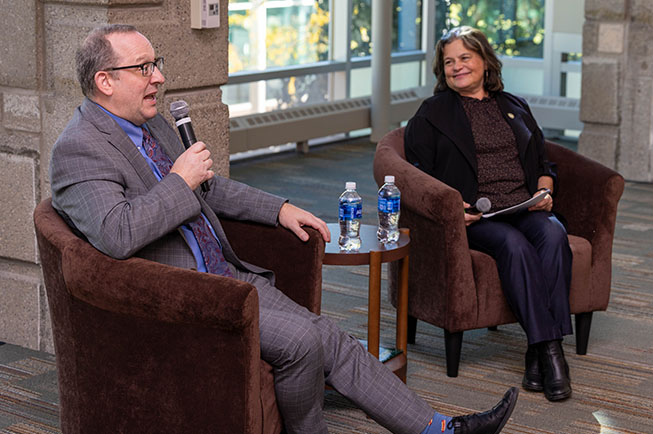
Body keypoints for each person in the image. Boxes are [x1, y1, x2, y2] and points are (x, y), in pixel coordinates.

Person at [49, 24, 519, 434]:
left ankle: (438, 429)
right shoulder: (81, 149)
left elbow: (209, 190)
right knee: (302, 343)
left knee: (331, 336)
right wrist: (179, 180)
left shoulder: (148, 125)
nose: (160, 77)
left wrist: (280, 209)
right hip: (182, 292)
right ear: (105, 81)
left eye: (158, 63)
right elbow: (117, 234)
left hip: (224, 272)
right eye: (145, 67)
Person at [404, 26, 573, 402]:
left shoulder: (513, 105)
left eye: (465, 58)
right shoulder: (433, 113)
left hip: (521, 204)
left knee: (554, 233)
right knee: (514, 246)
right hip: (479, 217)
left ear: (485, 61)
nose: (457, 67)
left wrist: (545, 189)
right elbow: (416, 174)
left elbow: (544, 160)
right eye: (449, 62)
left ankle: (536, 350)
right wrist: (450, 210)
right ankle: (550, 351)